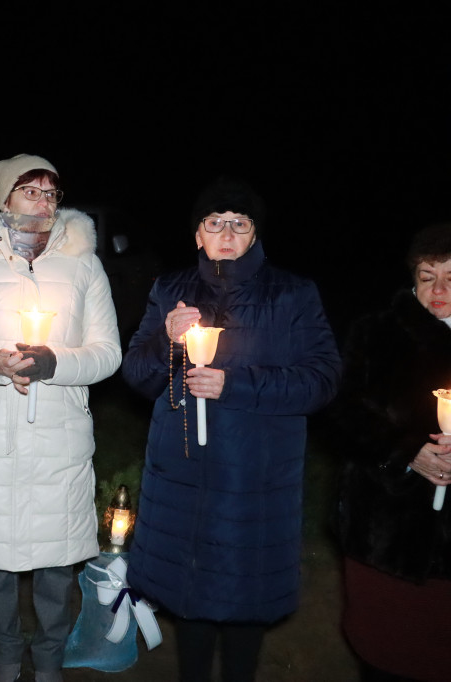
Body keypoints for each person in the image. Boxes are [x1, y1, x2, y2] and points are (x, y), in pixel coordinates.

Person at [122, 177, 341, 682]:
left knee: (245, 597)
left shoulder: (293, 293)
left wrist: (235, 385)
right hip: (181, 474)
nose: (225, 233)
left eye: (238, 224)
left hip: (254, 476)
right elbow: (137, 375)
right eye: (214, 223)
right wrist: (167, 340)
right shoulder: (170, 289)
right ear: (198, 235)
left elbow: (322, 379)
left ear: (254, 235)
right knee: (190, 596)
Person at [0, 154, 122, 682]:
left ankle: (50, 658)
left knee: (58, 562)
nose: (42, 202)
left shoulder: (84, 263)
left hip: (58, 432)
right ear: (5, 199)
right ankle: (8, 655)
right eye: (30, 190)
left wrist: (56, 363)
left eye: (51, 193)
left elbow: (108, 353)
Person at [330, 224, 451, 682]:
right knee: (387, 656)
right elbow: (342, 416)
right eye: (427, 276)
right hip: (385, 533)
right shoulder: (376, 335)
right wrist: (405, 452)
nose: (438, 290)